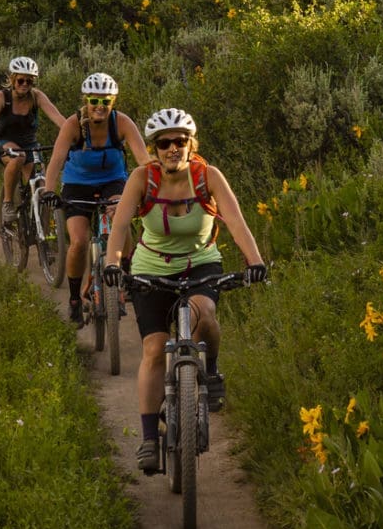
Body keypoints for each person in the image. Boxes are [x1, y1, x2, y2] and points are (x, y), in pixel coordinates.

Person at [105, 106, 267, 473]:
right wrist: (112, 264)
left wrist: (254, 262)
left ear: (191, 144)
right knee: (152, 349)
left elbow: (237, 223)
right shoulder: (141, 179)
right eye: (164, 143)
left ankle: (209, 371)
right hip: (152, 268)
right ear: (155, 148)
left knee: (205, 313)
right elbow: (119, 228)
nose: (172, 148)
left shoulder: (208, 176)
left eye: (180, 141)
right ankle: (148, 439)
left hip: (200, 264)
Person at [41, 73, 148, 322]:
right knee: (78, 241)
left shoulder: (121, 123)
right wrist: (48, 190)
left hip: (113, 180)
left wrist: (152, 183)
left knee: (120, 217)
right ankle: (75, 299)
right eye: (94, 100)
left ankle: (126, 269)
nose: (100, 106)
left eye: (106, 101)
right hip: (77, 184)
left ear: (114, 101)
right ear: (85, 100)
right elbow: (56, 160)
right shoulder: (73, 125)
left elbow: (143, 159)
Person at [0, 57, 67, 228]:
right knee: (18, 157)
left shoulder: (36, 97)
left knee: (43, 187)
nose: (25, 84)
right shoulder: (1, 97)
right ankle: (7, 203)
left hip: (30, 145)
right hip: (5, 143)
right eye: (21, 80)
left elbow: (59, 119)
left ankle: (43, 236)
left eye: (29, 81)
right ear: (13, 79)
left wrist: (73, 135)